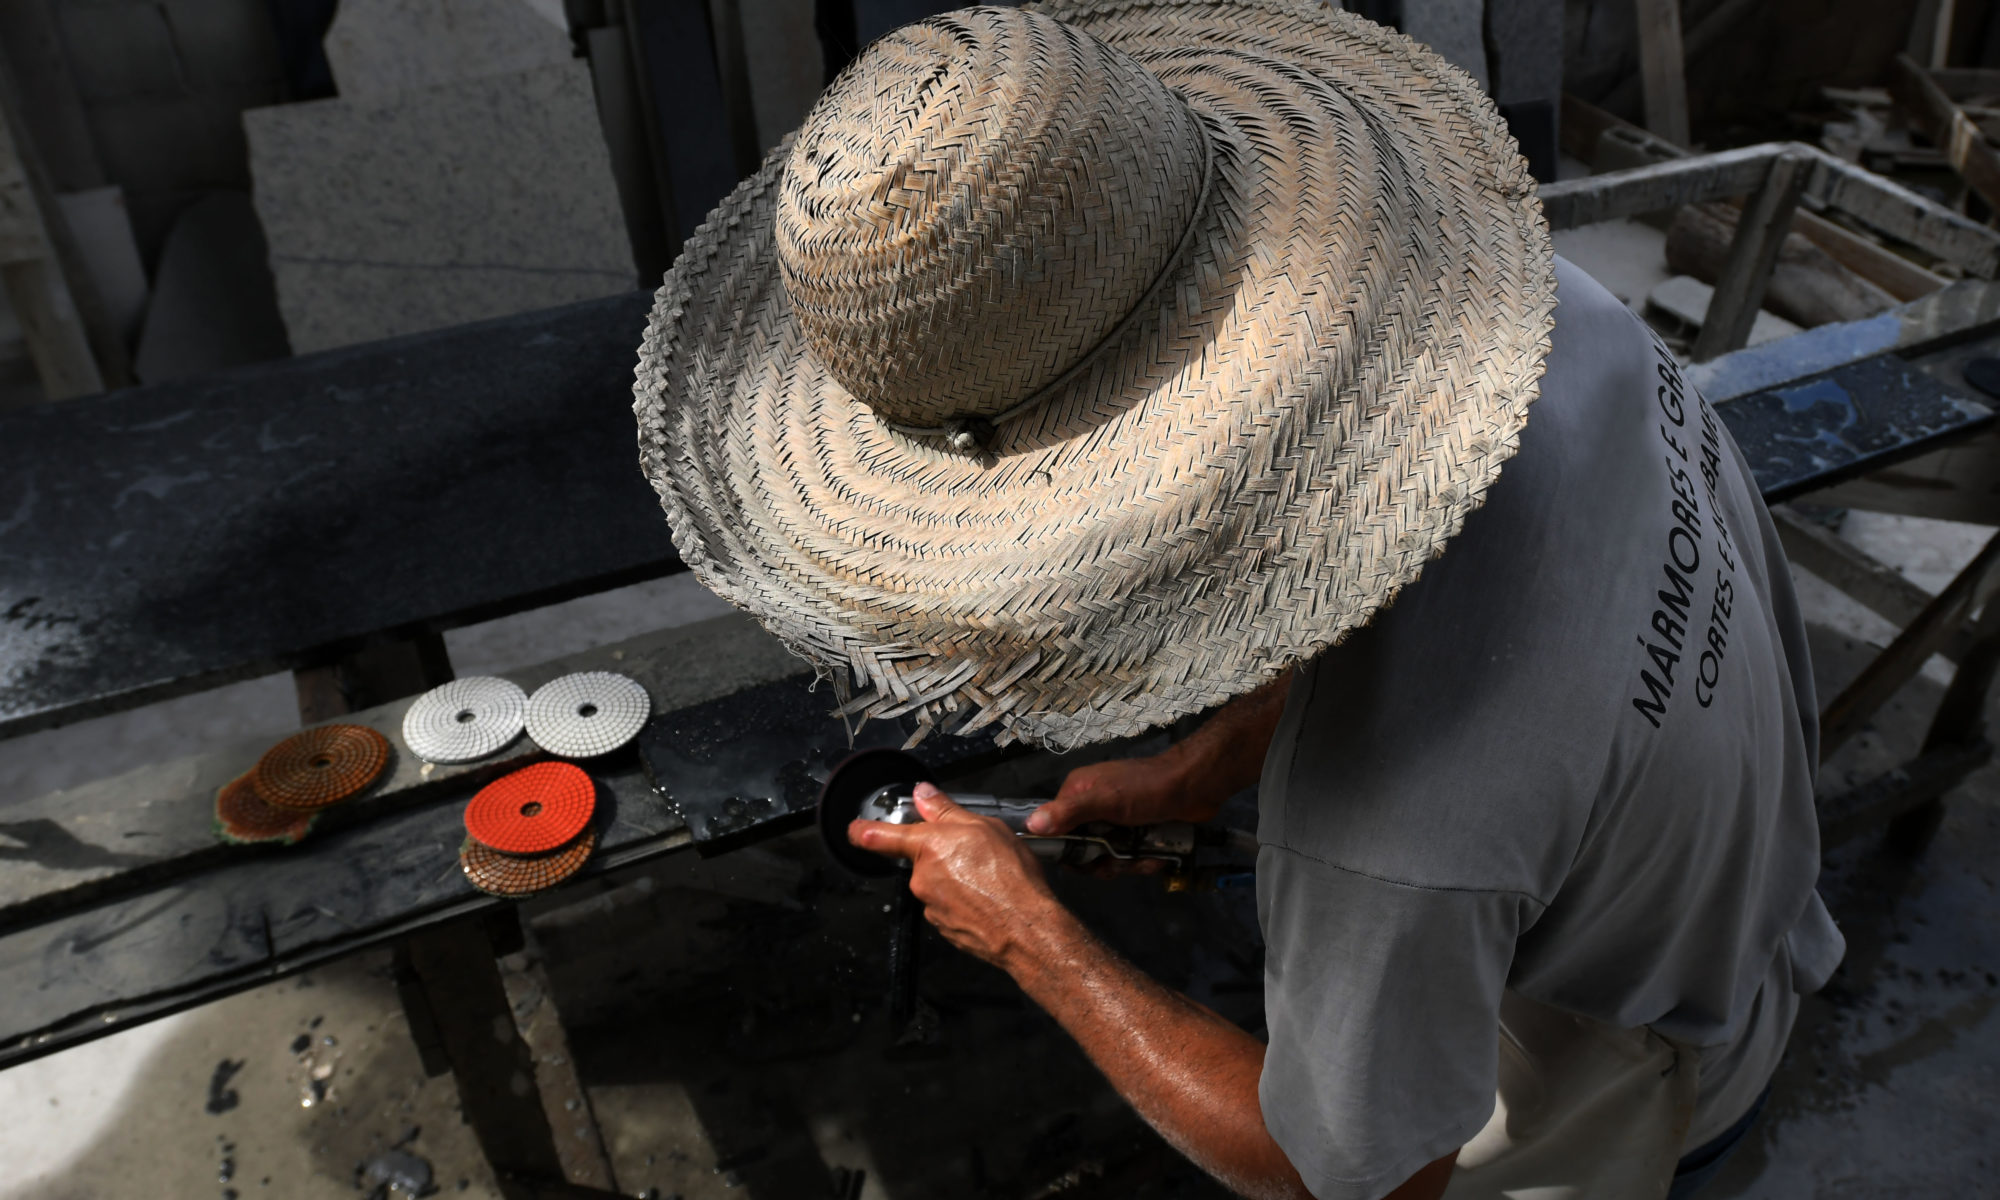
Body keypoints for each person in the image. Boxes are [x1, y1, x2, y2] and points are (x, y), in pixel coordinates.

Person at [632, 2, 1841, 1196]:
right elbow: (1434, 569)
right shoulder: (1544, 317)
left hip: (1639, 1093)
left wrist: (1035, 942)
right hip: (1734, 906)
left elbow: (1340, 1177)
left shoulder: (1391, 831)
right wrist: (1215, 757)